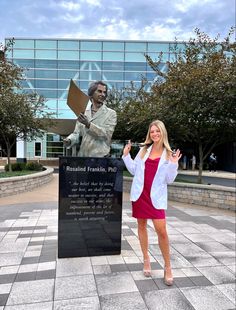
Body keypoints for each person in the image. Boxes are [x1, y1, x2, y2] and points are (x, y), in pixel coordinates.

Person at [122, 120, 181, 286]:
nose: (155, 134)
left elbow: (169, 179)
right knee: (141, 226)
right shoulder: (144, 150)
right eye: (152, 131)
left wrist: (174, 164)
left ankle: (167, 267)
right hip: (141, 195)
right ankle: (146, 259)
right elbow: (134, 170)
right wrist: (126, 155)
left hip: (156, 197)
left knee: (161, 231)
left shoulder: (169, 153)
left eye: (157, 131)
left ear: (163, 133)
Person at [64, 81, 117, 157]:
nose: (103, 94)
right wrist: (69, 140)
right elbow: (76, 133)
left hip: (100, 158)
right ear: (91, 93)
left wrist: (88, 124)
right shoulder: (83, 112)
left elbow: (106, 135)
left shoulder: (111, 113)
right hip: (83, 157)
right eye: (99, 91)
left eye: (104, 92)